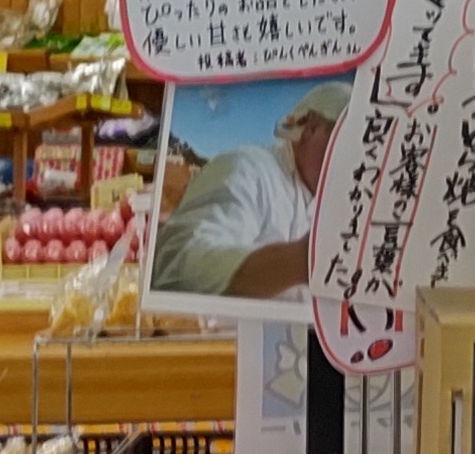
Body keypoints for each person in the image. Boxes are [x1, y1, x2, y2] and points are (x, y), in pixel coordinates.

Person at [148, 82, 349, 300]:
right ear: (311, 129)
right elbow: (177, 263)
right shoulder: (247, 168)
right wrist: (298, 261)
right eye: (351, 142)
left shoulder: (333, 206)